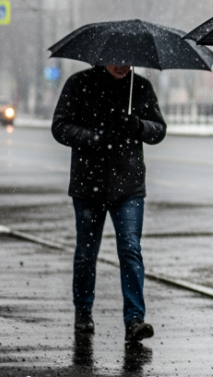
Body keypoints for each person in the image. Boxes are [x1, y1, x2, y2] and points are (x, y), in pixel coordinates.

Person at [51, 63, 167, 342]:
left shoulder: (139, 87)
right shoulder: (79, 84)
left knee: (130, 250)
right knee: (86, 253)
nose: (122, 65)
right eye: (115, 58)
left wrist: (137, 125)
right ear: (100, 57)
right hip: (88, 185)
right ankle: (83, 312)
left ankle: (135, 320)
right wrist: (92, 137)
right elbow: (60, 126)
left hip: (128, 186)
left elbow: (159, 130)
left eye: (127, 60)